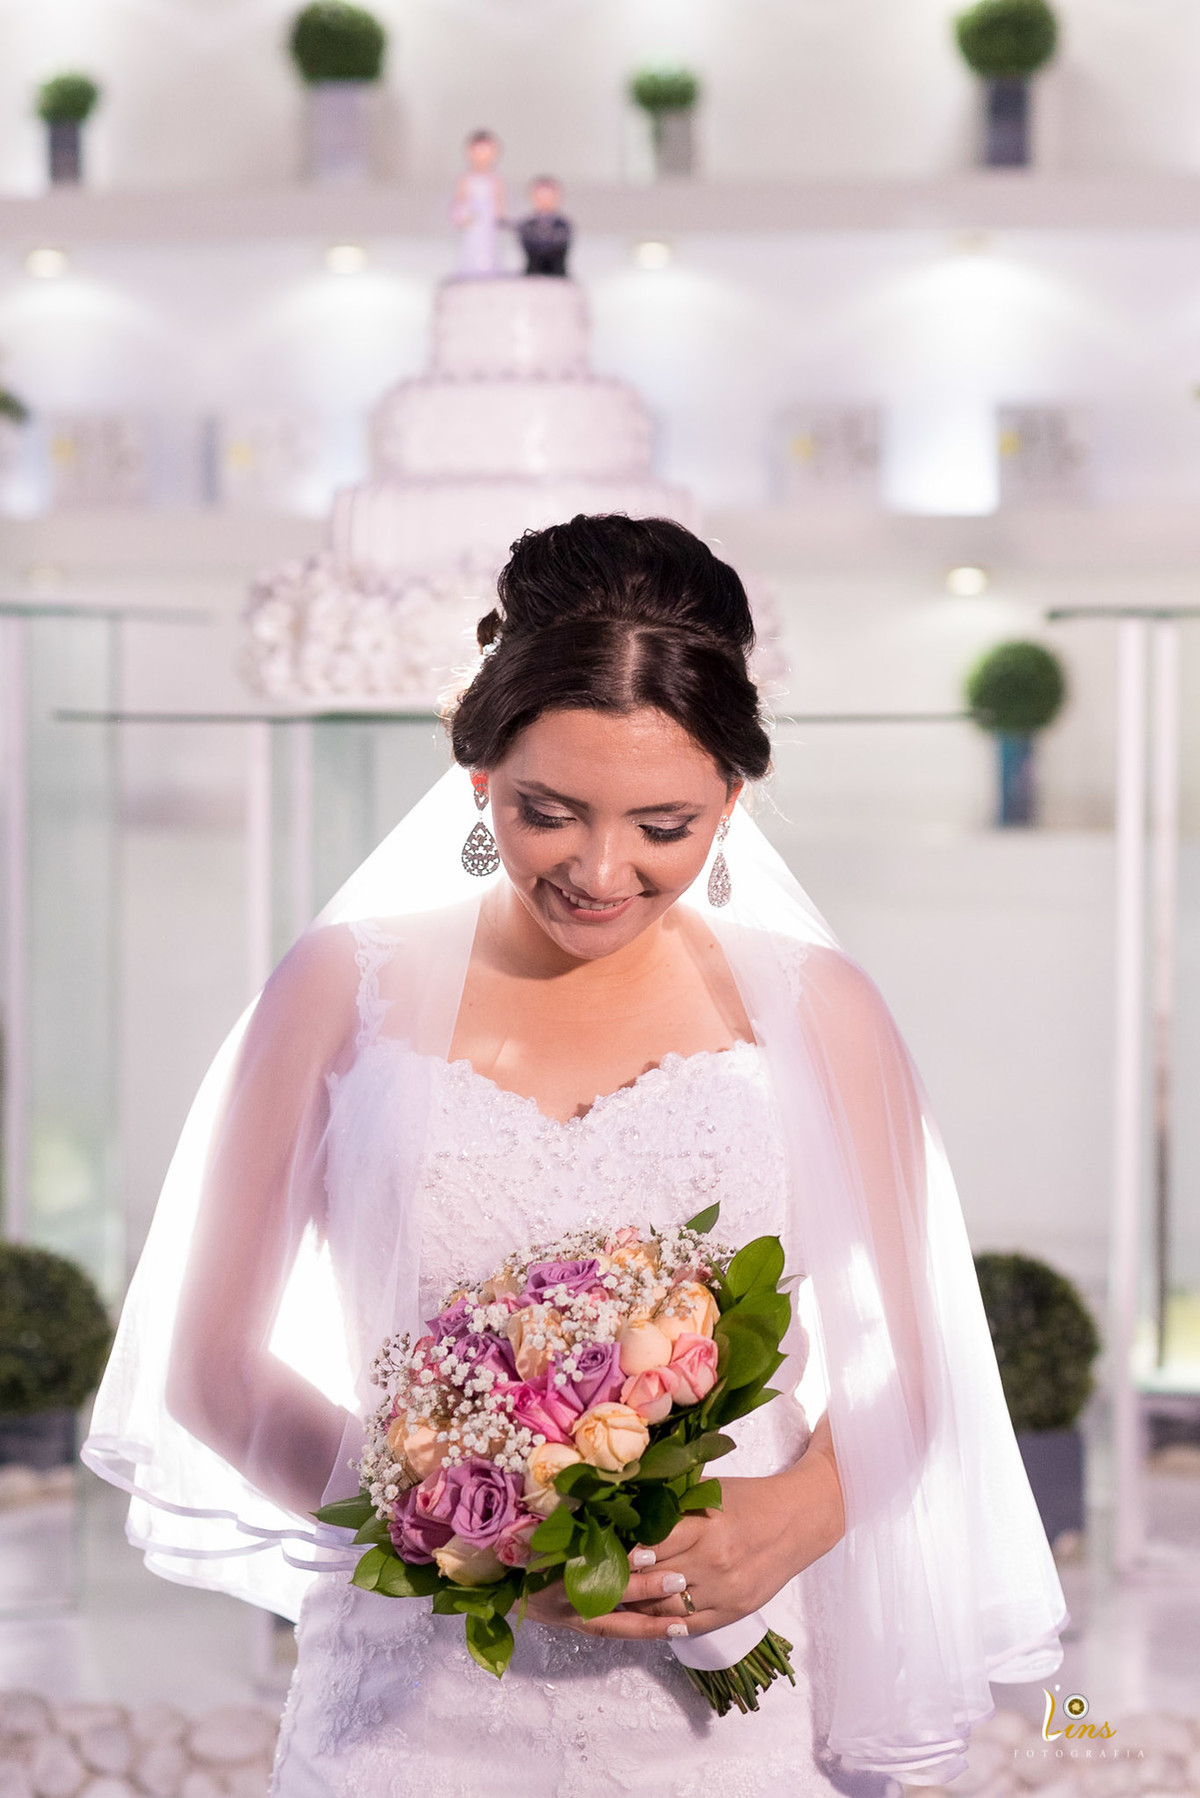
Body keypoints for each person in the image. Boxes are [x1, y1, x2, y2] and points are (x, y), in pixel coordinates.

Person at [83, 516, 1068, 1796]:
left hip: (720, 1706)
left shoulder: (821, 1010)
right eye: (549, 813)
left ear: (734, 797)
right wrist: (459, 1538)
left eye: (665, 824)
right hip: (408, 1714)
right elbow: (211, 1367)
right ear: (480, 771)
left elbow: (915, 1359)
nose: (602, 871)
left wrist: (795, 1513)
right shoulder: (339, 989)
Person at [451, 128, 508, 277]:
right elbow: (460, 200)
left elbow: (499, 201)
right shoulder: (466, 179)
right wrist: (462, 215)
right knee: (473, 248)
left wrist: (500, 217)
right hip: (473, 221)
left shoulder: (495, 179)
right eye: (479, 151)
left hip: (488, 223)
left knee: (489, 248)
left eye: (487, 151)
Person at [516, 175, 573, 277]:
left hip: (558, 277)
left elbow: (558, 252)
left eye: (549, 197)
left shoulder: (563, 225)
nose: (545, 201)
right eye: (541, 197)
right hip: (533, 277)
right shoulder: (526, 225)